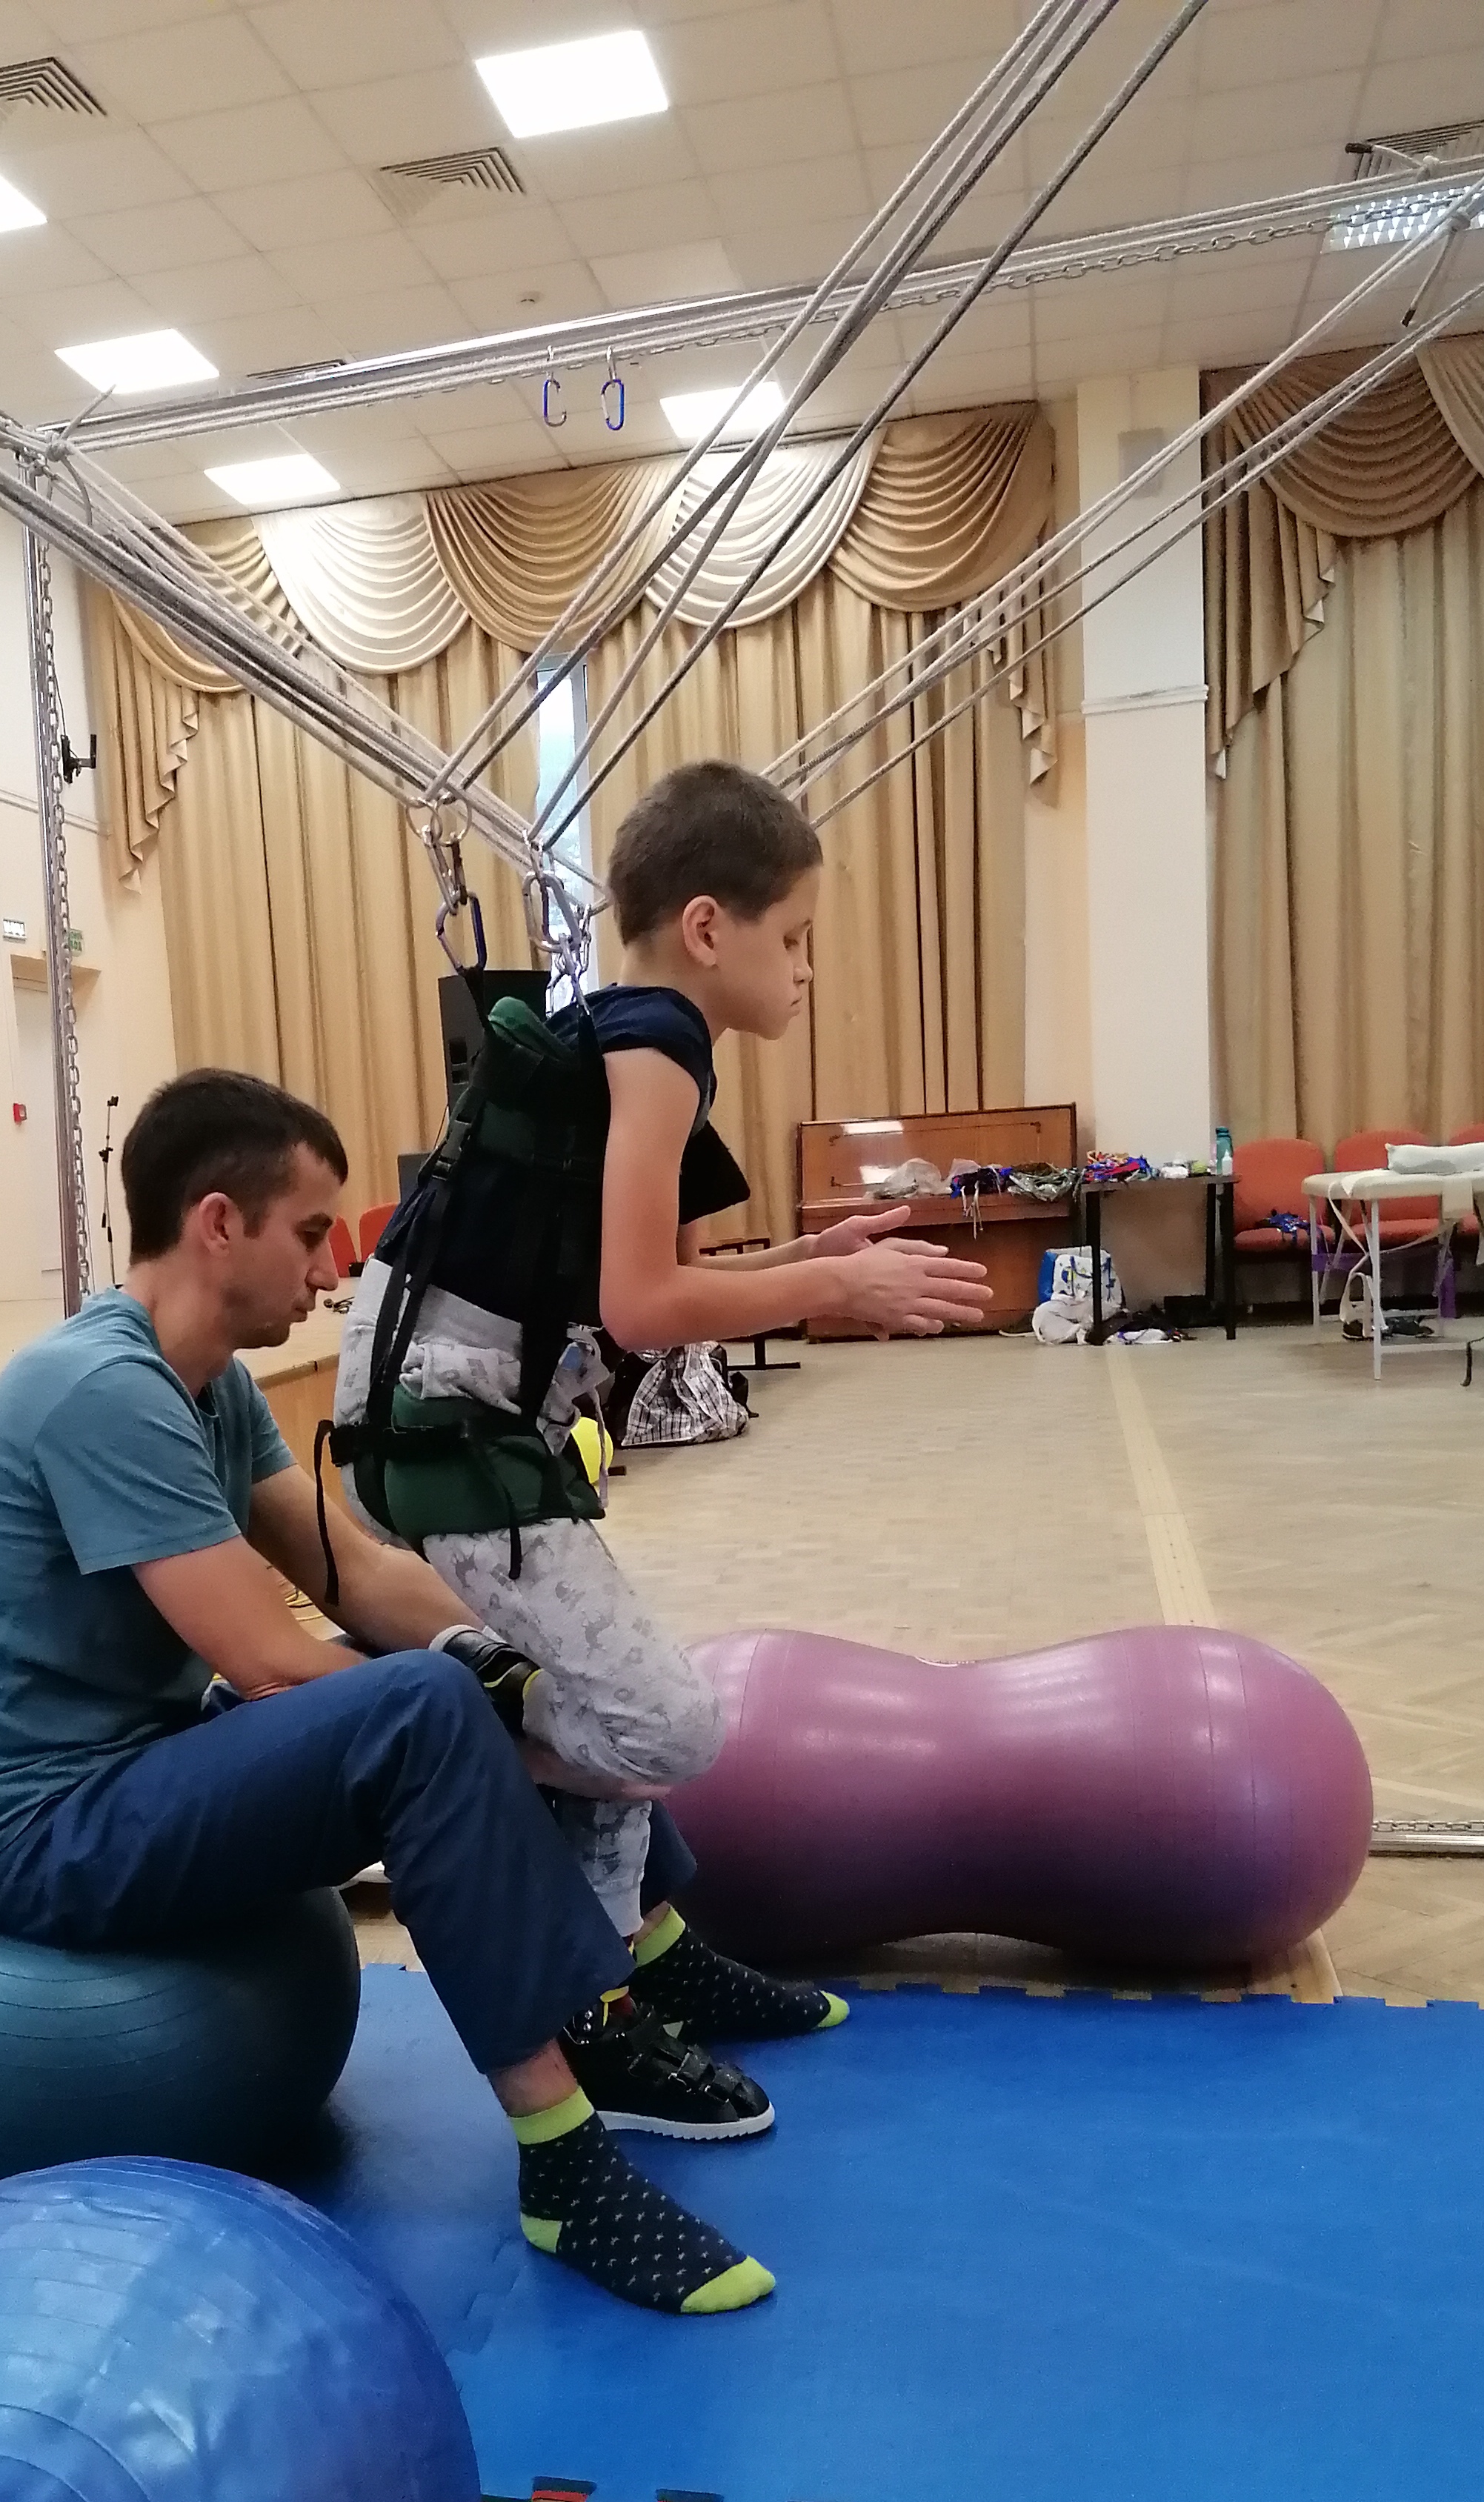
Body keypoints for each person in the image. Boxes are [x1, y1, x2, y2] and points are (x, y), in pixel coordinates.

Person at [0, 1068, 774, 2318]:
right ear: (218, 1223)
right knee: (427, 1712)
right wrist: (495, 1715)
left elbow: (352, 1572)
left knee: (516, 1676)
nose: (331, 1269)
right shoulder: (104, 1393)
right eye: (310, 1233)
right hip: (31, 1834)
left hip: (131, 1761)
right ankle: (566, 2166)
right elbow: (267, 1658)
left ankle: (653, 1962)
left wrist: (537, 1664)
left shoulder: (210, 1384)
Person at [329, 759, 994, 2073]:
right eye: (792, 938)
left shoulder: (626, 1034)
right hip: (439, 1415)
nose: (805, 970)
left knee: (621, 1706)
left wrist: (808, 1254)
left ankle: (626, 1979)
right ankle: (448, 1731)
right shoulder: (662, 1046)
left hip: (451, 1398)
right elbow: (643, 1310)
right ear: (706, 927)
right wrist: (832, 1289)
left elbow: (643, 1281)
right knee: (659, 1725)